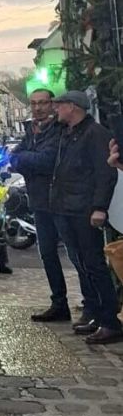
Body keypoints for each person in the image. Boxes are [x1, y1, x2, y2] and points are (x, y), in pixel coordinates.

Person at [10, 89, 90, 323]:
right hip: (40, 202)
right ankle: (59, 303)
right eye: (33, 104)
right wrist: (26, 159)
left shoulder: (60, 130)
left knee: (77, 255)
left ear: (52, 105)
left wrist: (26, 159)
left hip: (60, 201)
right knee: (47, 255)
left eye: (43, 103)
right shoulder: (31, 131)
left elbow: (47, 161)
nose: (37, 108)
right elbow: (14, 158)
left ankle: (90, 304)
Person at [50, 90, 123, 344]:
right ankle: (95, 313)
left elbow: (106, 174)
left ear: (73, 107)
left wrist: (99, 207)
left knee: (94, 265)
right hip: (67, 208)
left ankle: (110, 321)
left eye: (60, 105)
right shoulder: (70, 133)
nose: (56, 109)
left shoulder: (94, 134)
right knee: (83, 264)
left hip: (84, 210)